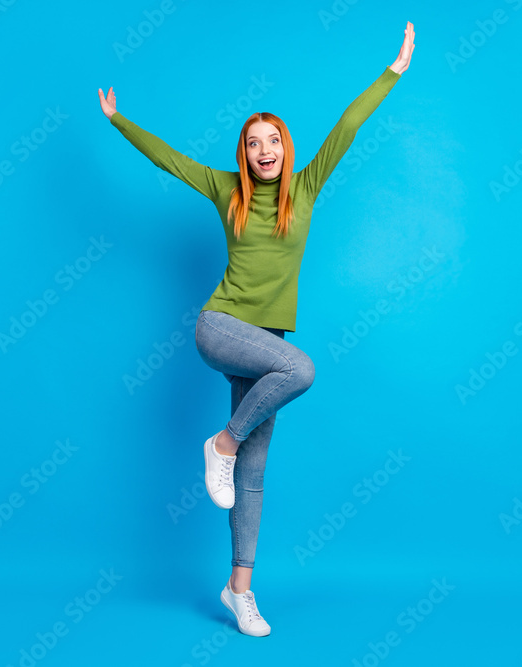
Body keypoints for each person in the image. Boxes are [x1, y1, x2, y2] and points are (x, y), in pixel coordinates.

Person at [98, 21, 415, 637]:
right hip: (221, 327)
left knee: (255, 472)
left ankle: (239, 590)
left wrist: (393, 71)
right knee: (301, 373)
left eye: (272, 141)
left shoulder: (306, 187)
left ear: (285, 148)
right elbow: (171, 161)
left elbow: (346, 128)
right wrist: (119, 122)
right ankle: (221, 442)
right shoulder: (227, 190)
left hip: (266, 347)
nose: (264, 150)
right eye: (252, 143)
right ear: (242, 153)